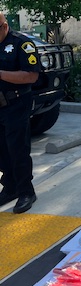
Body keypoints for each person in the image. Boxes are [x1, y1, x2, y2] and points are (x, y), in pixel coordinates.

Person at [0, 13, 41, 214]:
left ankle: (26, 191)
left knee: (17, 149)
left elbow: (31, 76)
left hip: (16, 103)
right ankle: (10, 187)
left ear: (4, 26)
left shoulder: (22, 44)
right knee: (1, 150)